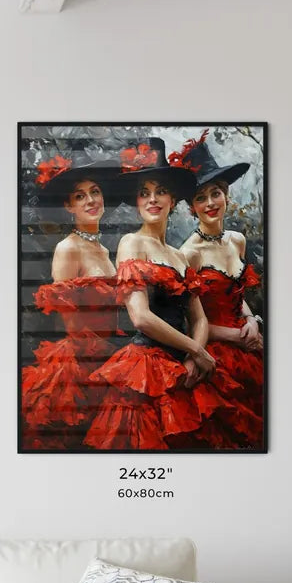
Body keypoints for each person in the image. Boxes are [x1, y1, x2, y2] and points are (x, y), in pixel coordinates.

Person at [84, 137, 230, 451]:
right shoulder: (131, 242)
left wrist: (195, 355)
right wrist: (199, 351)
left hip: (185, 365)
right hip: (146, 368)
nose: (153, 199)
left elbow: (199, 319)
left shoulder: (181, 257)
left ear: (174, 199)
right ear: (136, 202)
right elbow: (140, 317)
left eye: (160, 191)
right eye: (144, 193)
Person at [20, 155, 120, 448]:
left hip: (107, 356)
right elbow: (72, 324)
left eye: (95, 192)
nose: (91, 200)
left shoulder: (102, 248)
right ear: (69, 206)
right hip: (79, 366)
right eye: (80, 196)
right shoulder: (68, 249)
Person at [177, 131, 263, 448]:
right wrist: (237, 335)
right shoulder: (190, 254)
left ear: (226, 194)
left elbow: (238, 298)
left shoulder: (237, 240)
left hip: (249, 347)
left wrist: (253, 321)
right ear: (192, 208)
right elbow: (188, 323)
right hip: (216, 354)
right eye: (201, 198)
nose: (210, 203)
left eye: (215, 193)